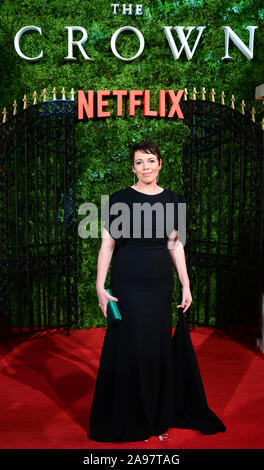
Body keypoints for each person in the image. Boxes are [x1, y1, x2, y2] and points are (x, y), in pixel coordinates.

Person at [89, 140, 226, 442]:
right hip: (128, 281)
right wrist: (100, 286)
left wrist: (186, 283)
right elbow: (107, 245)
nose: (146, 167)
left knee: (155, 346)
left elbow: (175, 245)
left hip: (159, 284)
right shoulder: (120, 199)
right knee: (129, 344)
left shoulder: (174, 201)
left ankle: (154, 412)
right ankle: (128, 414)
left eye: (151, 161)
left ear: (160, 164)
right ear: (133, 167)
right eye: (139, 162)